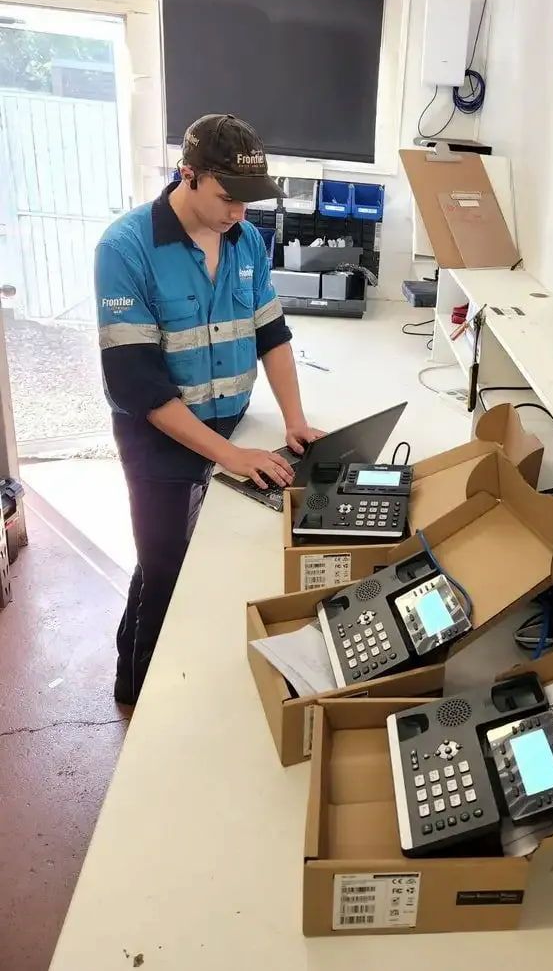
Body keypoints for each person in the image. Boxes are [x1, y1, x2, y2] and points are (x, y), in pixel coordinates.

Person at [95, 113, 322, 705]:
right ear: (187, 175)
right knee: (166, 568)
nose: (238, 216)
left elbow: (271, 332)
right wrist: (231, 456)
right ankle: (143, 698)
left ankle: (134, 674)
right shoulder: (126, 248)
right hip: (158, 438)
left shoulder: (246, 240)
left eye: (250, 203)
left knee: (168, 556)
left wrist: (293, 420)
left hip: (229, 423)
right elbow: (136, 383)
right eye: (228, 199)